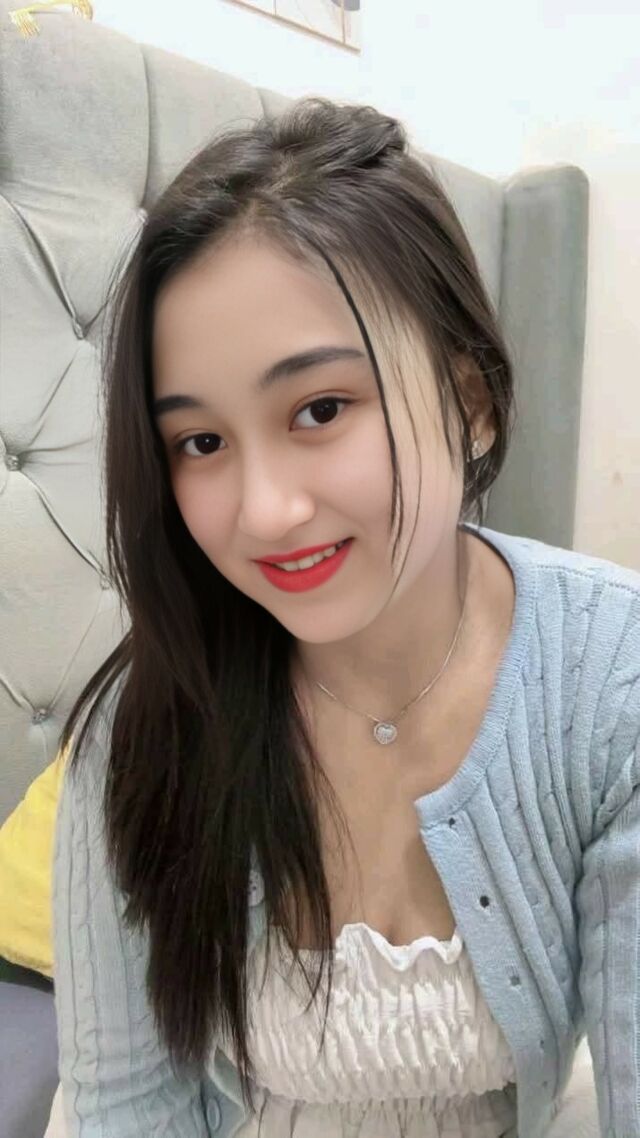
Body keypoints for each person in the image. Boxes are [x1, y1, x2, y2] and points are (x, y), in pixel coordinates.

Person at [51, 97, 639, 1138]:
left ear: (470, 402)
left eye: (319, 409)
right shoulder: (145, 725)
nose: (264, 511)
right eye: (200, 442)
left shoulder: (609, 678)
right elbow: (128, 1107)